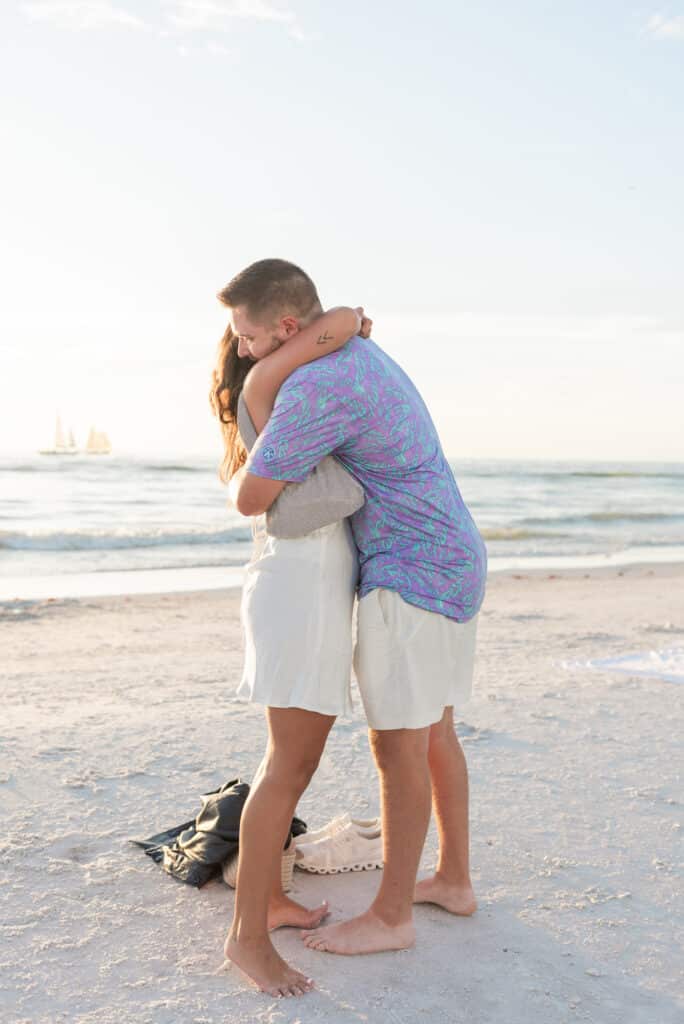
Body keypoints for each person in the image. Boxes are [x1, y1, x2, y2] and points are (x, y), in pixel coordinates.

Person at [219, 258, 487, 995]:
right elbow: (340, 325)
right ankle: (453, 881)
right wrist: (309, 344)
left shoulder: (312, 384)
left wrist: (264, 382)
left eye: (247, 336)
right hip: (452, 556)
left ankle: (392, 913)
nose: (240, 346)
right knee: (435, 731)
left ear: (284, 328)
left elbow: (256, 495)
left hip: (409, 570)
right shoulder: (357, 354)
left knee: (397, 743)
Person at [210, 300, 373, 998]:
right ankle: (247, 941)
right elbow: (343, 317)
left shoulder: (282, 395)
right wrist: (342, 327)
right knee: (288, 766)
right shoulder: (268, 384)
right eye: (254, 337)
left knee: (288, 764)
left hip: (304, 589)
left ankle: (267, 900)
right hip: (299, 594)